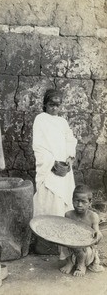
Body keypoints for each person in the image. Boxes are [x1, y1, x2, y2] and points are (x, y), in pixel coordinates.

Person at [32, 89, 77, 254]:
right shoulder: (40, 119)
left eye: (58, 105)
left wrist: (69, 159)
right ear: (45, 104)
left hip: (64, 167)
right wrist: (51, 163)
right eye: (51, 104)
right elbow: (38, 145)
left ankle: (61, 240)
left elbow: (70, 139)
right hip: (49, 167)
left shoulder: (62, 122)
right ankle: (45, 240)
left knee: (63, 199)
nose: (54, 108)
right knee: (48, 198)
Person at [60, 184, 104, 276]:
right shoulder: (68, 215)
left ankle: (81, 265)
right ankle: (70, 263)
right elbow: (65, 230)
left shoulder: (93, 217)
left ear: (90, 202)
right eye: (76, 201)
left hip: (86, 248)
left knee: (83, 250)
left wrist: (97, 234)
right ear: (72, 201)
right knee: (60, 243)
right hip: (71, 245)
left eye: (83, 202)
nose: (79, 205)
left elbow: (97, 232)